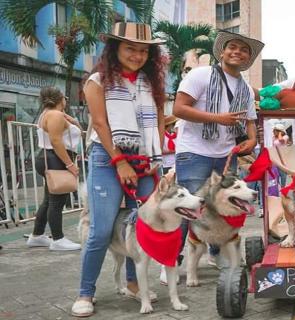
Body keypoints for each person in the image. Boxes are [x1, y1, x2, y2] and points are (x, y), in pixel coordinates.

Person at [71, 22, 167, 317]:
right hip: (107, 157)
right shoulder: (97, 81)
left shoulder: (152, 83)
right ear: (115, 49)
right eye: (130, 49)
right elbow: (100, 124)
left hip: (146, 159)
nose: (137, 55)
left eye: (142, 50)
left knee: (143, 226)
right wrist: (121, 161)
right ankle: (86, 292)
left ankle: (133, 283)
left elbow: (161, 121)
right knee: (100, 230)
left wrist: (154, 157)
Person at [172, 31, 263, 267]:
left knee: (222, 207)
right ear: (222, 51)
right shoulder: (201, 75)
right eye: (232, 47)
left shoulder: (246, 88)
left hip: (225, 154)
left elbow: (250, 120)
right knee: (188, 207)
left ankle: (215, 253)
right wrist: (217, 118)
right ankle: (172, 260)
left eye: (244, 50)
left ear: (248, 59)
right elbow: (179, 109)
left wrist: (252, 140)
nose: (237, 52)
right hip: (194, 153)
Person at [26, 87, 82, 251]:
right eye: (65, 97)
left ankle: (37, 236)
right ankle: (58, 239)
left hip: (49, 158)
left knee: (49, 200)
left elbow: (70, 129)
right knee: (58, 201)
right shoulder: (55, 115)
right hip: (55, 159)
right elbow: (56, 141)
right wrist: (70, 165)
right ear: (60, 99)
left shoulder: (49, 114)